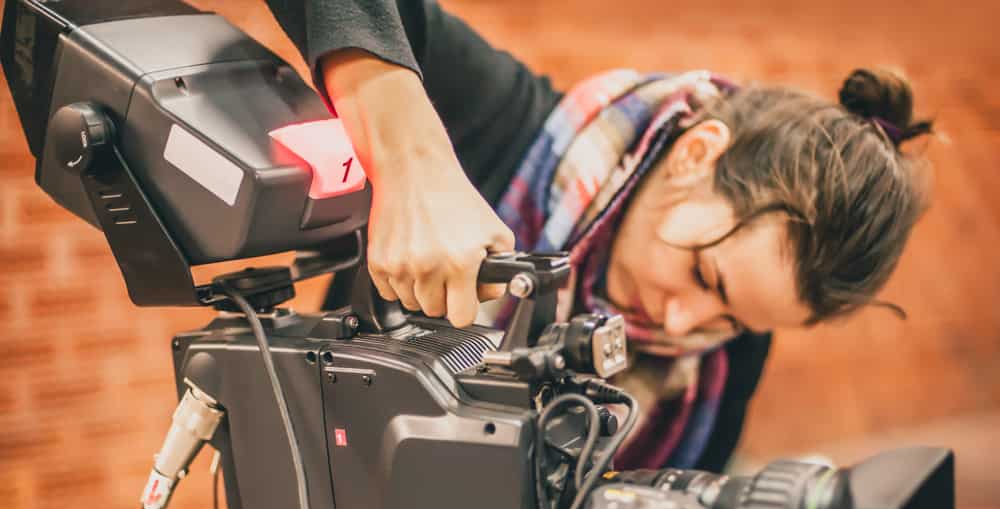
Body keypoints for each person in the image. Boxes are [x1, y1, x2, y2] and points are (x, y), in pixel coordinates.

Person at [263, 1, 932, 472]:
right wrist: (412, 163)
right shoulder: (493, 117)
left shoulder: (729, 356)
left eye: (729, 321)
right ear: (697, 154)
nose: (679, 323)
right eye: (705, 276)